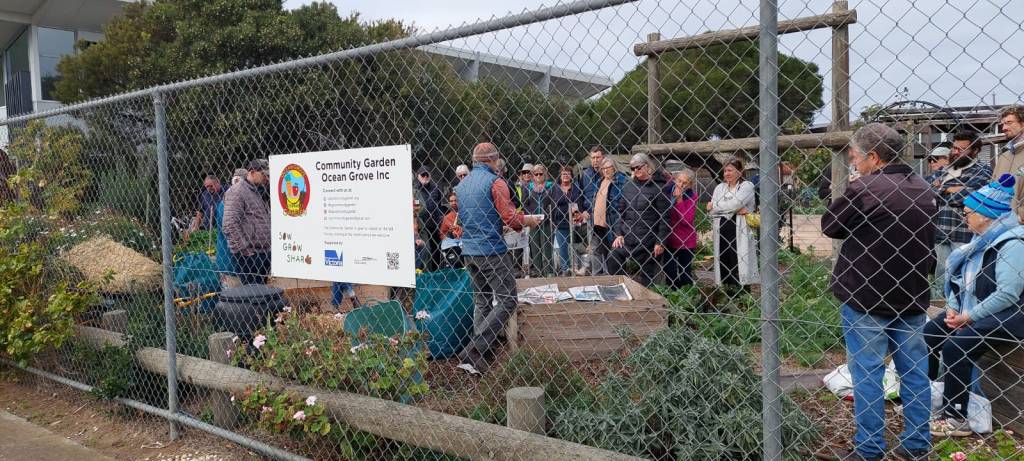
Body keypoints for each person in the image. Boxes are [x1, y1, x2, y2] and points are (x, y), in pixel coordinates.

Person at [821, 123, 936, 461]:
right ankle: (916, 445)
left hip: (866, 297)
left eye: (856, 157)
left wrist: (855, 189)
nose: (854, 164)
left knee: (867, 374)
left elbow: (831, 226)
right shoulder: (923, 186)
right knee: (914, 373)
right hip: (912, 296)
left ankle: (870, 448)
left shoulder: (867, 188)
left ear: (873, 156)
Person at [925, 174, 1024, 438]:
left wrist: (969, 316)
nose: (963, 218)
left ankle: (956, 417)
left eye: (968, 213)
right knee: (932, 333)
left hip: (1010, 314)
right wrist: (953, 307)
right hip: (975, 308)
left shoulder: (1013, 244)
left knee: (957, 346)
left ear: (986, 215)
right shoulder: (980, 242)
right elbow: (959, 281)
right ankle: (928, 397)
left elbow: (1008, 295)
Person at [454, 142, 542, 375]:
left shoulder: (462, 186)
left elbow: (468, 221)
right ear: (493, 160)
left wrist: (495, 226)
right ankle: (475, 350)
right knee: (507, 300)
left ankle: (478, 361)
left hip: (469, 251)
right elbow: (512, 219)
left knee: (482, 301)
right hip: (492, 251)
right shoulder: (496, 182)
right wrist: (529, 221)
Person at [926, 131, 993, 298]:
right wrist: (952, 189)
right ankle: (944, 311)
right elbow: (928, 190)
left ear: (975, 151)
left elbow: (969, 197)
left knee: (966, 276)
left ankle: (964, 310)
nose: (956, 152)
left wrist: (943, 189)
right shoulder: (945, 170)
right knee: (942, 276)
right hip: (941, 232)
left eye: (962, 149)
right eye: (954, 147)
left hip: (966, 233)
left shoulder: (983, 170)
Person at [608, 154, 670, 287]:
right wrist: (618, 234)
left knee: (648, 279)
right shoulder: (628, 187)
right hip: (629, 238)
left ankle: (648, 302)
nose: (635, 171)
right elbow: (620, 213)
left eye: (638, 167)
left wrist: (660, 242)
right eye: (632, 168)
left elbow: (664, 218)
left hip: (648, 241)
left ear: (647, 166)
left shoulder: (659, 188)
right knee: (613, 256)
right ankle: (620, 288)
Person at [708, 158, 759, 291]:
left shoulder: (747, 186)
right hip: (722, 230)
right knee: (724, 262)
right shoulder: (720, 188)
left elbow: (735, 204)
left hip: (739, 229)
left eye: (730, 170)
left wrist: (717, 206)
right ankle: (727, 294)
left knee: (739, 262)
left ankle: (742, 297)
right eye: (725, 171)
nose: (726, 174)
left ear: (739, 171)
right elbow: (711, 211)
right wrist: (729, 208)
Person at [223, 159, 272, 285]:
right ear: (252, 172)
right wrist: (245, 251)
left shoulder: (260, 192)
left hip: (263, 252)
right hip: (249, 255)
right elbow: (229, 224)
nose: (267, 178)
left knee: (261, 293)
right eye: (264, 174)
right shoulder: (237, 191)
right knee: (252, 295)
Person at [545, 165, 587, 276]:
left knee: (574, 245)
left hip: (575, 219)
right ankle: (566, 269)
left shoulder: (576, 188)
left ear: (571, 176)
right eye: (563, 174)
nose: (565, 176)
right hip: (559, 221)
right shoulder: (554, 188)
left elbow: (580, 202)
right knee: (563, 246)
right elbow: (548, 202)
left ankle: (578, 266)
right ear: (560, 176)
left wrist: (582, 213)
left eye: (568, 173)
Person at [588, 158, 625, 275]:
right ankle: (597, 278)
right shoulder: (599, 181)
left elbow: (622, 205)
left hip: (612, 224)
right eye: (603, 168)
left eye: (608, 167)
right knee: (596, 251)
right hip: (597, 224)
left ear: (614, 167)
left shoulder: (621, 181)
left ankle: (614, 280)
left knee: (613, 254)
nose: (606, 170)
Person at [665, 169, 698, 289]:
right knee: (669, 271)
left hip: (686, 240)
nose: (681, 185)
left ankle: (687, 296)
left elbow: (686, 220)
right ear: (674, 180)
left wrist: (679, 200)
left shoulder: (691, 197)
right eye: (679, 181)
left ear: (690, 185)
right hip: (669, 239)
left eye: (685, 183)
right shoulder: (667, 192)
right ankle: (673, 294)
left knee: (685, 272)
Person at [993, 105, 1024, 222]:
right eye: (1003, 124)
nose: (1004, 128)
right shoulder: (1003, 157)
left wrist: (1019, 217)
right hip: (998, 225)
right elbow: (993, 189)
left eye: (1009, 122)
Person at [414, 166, 445, 271]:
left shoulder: (435, 188)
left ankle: (436, 273)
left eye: (427, 174)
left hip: (435, 225)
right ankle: (425, 274)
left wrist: (439, 220)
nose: (425, 176)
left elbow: (439, 205)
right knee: (425, 252)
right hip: (421, 227)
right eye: (423, 174)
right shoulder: (414, 190)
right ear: (418, 176)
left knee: (436, 251)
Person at [528, 163, 554, 276]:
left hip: (547, 221)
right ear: (533, 176)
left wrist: (549, 214)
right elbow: (525, 203)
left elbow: (555, 203)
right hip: (533, 222)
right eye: (536, 174)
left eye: (541, 174)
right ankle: (539, 272)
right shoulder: (528, 188)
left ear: (545, 175)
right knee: (535, 248)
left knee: (547, 247)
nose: (538, 176)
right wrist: (530, 216)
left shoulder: (551, 187)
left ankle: (549, 272)